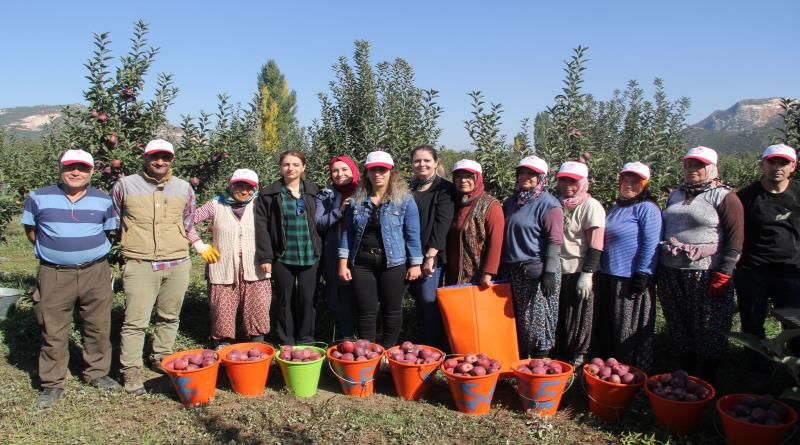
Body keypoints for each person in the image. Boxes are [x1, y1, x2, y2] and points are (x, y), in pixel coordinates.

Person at [22, 149, 122, 408]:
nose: (76, 172)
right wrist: (57, 251)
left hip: (95, 271)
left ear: (91, 172)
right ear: (61, 168)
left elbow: (109, 230)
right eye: (70, 167)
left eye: (82, 168)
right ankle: (52, 382)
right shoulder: (38, 197)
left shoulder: (103, 200)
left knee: (98, 325)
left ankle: (97, 373)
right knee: (53, 328)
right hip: (54, 273)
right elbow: (31, 230)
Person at [113, 139, 195, 395]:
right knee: (135, 321)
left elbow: (189, 221)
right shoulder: (125, 185)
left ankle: (161, 356)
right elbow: (115, 220)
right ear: (145, 158)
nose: (160, 162)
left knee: (170, 316)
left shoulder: (183, 188)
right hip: (140, 261)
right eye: (154, 157)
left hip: (177, 260)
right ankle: (131, 371)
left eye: (165, 157)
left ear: (172, 159)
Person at [656, 146, 743, 384]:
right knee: (678, 320)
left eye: (699, 165)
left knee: (707, 324)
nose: (693, 169)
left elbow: (735, 238)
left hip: (705, 271)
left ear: (712, 168)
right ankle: (684, 373)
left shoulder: (724, 196)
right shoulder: (676, 195)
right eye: (689, 165)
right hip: (672, 270)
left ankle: (707, 378)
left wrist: (725, 271)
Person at [338, 151, 422, 348]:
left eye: (382, 170)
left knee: (392, 309)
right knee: (366, 310)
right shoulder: (357, 201)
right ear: (366, 173)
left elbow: (412, 234)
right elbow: (347, 234)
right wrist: (343, 263)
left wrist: (415, 263)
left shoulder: (405, 200)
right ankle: (369, 352)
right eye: (373, 170)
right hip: (361, 264)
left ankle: (388, 351)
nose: (378, 174)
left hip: (393, 263)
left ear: (391, 173)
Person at [188, 169, 271, 349]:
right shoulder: (217, 204)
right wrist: (199, 244)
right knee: (222, 307)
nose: (245, 191)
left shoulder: (260, 204)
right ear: (231, 185)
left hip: (255, 265)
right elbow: (186, 220)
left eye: (250, 187)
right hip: (223, 265)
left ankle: (257, 344)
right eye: (240, 185)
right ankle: (222, 344)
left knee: (258, 305)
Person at [735, 144, 800, 367]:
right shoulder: (746, 196)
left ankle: (791, 370)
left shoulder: (798, 194)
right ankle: (757, 369)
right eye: (771, 162)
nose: (777, 167)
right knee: (752, 323)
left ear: (793, 166)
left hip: (792, 270)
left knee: (794, 326)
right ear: (763, 164)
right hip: (753, 270)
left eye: (783, 163)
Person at [593, 162, 661, 372]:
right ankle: (608, 372)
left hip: (630, 277)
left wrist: (643, 272)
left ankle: (633, 373)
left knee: (628, 328)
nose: (629, 184)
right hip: (609, 275)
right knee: (610, 326)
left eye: (635, 181)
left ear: (645, 184)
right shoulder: (615, 207)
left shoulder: (647, 208)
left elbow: (651, 242)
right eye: (626, 179)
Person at [254, 151, 321, 346]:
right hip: (283, 256)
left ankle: (307, 339)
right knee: (285, 300)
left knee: (308, 299)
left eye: (295, 164)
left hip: (310, 255)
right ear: (280, 167)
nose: (290, 168)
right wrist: (265, 257)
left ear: (303, 167)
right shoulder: (269, 194)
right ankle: (286, 340)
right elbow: (262, 228)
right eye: (286, 164)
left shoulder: (314, 191)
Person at [501, 155, 563, 359]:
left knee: (540, 319)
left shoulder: (549, 205)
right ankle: (524, 360)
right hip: (516, 269)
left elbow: (554, 241)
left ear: (542, 178)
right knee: (523, 318)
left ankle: (541, 362)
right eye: (522, 172)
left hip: (538, 270)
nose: (525, 177)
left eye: (532, 174)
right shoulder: (511, 202)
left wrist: (549, 273)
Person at [553, 158, 605, 367]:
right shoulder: (557, 204)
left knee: (579, 315)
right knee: (562, 313)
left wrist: (588, 273)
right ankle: (562, 353)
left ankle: (579, 355)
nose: (567, 185)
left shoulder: (590, 206)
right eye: (563, 180)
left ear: (583, 183)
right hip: (559, 268)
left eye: (572, 181)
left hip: (578, 268)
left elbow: (596, 244)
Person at [408, 145, 455, 347]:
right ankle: (422, 347)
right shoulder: (410, 188)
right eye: (417, 160)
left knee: (429, 302)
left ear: (436, 162)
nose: (422, 164)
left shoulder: (444, 189)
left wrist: (430, 255)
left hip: (430, 256)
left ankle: (434, 348)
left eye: (427, 160)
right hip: (410, 254)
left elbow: (442, 224)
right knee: (418, 301)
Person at [315, 156, 359, 340]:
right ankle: (346, 337)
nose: (340, 174)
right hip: (335, 252)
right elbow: (319, 222)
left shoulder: (366, 191)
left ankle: (365, 339)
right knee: (340, 296)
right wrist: (339, 210)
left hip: (362, 251)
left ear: (354, 171)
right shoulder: (326, 195)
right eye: (335, 170)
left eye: (345, 169)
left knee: (363, 295)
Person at [445, 159, 504, 286]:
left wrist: (489, 272)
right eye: (459, 176)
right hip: (452, 274)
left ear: (478, 178)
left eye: (468, 176)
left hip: (477, 276)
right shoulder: (451, 202)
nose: (463, 180)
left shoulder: (490, 205)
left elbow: (496, 241)